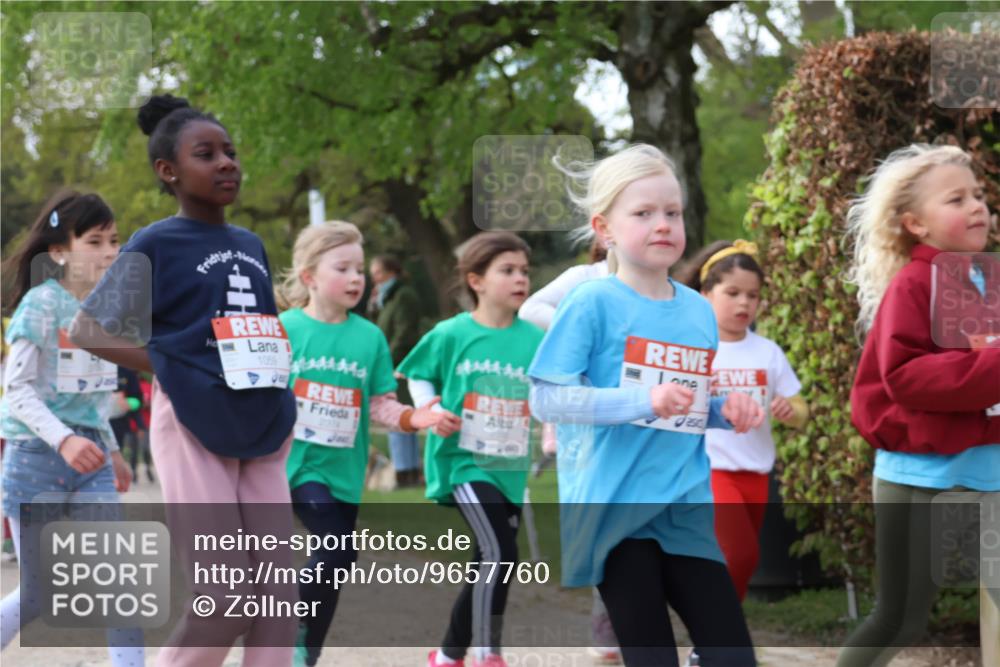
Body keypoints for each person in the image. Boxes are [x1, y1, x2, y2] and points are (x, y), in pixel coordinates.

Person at [73, 93, 299, 667]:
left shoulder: (250, 244)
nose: (226, 162)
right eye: (207, 154)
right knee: (225, 601)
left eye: (230, 152)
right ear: (168, 171)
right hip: (194, 422)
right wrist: (176, 364)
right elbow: (88, 328)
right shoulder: (155, 242)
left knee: (278, 603)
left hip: (264, 424)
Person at [528, 144, 763, 667]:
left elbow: (686, 407)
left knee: (733, 657)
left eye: (672, 212)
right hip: (615, 510)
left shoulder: (700, 312)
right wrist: (642, 400)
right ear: (604, 229)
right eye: (644, 213)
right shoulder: (591, 302)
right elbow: (548, 397)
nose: (663, 224)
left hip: (684, 508)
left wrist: (728, 411)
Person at [836, 144, 1000, 666]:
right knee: (901, 618)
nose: (977, 206)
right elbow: (904, 377)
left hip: (991, 470)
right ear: (915, 224)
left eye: (978, 195)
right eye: (956, 199)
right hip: (920, 475)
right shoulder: (913, 283)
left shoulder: (986, 279)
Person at [277, 221, 457, 666]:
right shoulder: (283, 330)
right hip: (294, 466)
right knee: (337, 545)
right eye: (343, 268)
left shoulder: (369, 337)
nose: (357, 278)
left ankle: (304, 651)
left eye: (360, 268)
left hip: (345, 471)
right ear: (309, 277)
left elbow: (380, 405)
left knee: (336, 560)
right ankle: (289, 640)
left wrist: (418, 417)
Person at [0, 191, 142, 666]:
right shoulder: (40, 305)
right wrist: (63, 438)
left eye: (115, 240)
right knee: (38, 596)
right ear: (60, 251)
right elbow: (16, 389)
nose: (110, 252)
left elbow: (90, 396)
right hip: (33, 462)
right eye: (96, 241)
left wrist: (110, 448)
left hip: (91, 465)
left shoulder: (107, 313)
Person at [399, 231, 545, 667]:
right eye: (508, 270)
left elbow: (546, 394)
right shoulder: (451, 332)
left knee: (488, 556)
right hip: (463, 461)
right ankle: (487, 652)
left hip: (510, 464)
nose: (520, 279)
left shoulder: (534, 339)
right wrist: (430, 406)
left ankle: (447, 655)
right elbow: (416, 374)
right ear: (476, 280)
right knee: (501, 551)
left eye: (524, 271)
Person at [675, 239, 809, 666]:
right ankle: (714, 638)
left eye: (752, 295)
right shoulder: (696, 351)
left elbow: (801, 411)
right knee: (741, 554)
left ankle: (706, 642)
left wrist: (791, 410)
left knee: (741, 564)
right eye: (732, 293)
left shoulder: (767, 352)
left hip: (757, 473)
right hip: (712, 469)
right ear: (705, 293)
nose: (743, 303)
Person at [518, 238, 623, 665]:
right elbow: (531, 309)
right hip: (585, 424)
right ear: (604, 232)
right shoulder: (587, 279)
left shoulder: (660, 286)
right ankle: (607, 612)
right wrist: (585, 324)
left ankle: (630, 612)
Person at [369, 254, 425, 487]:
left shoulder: (404, 296)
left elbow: (404, 332)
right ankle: (406, 471)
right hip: (392, 365)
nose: (376, 280)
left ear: (392, 272)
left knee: (399, 417)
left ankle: (405, 472)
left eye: (379, 274)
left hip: (400, 367)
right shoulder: (387, 298)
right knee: (401, 420)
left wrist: (387, 362)